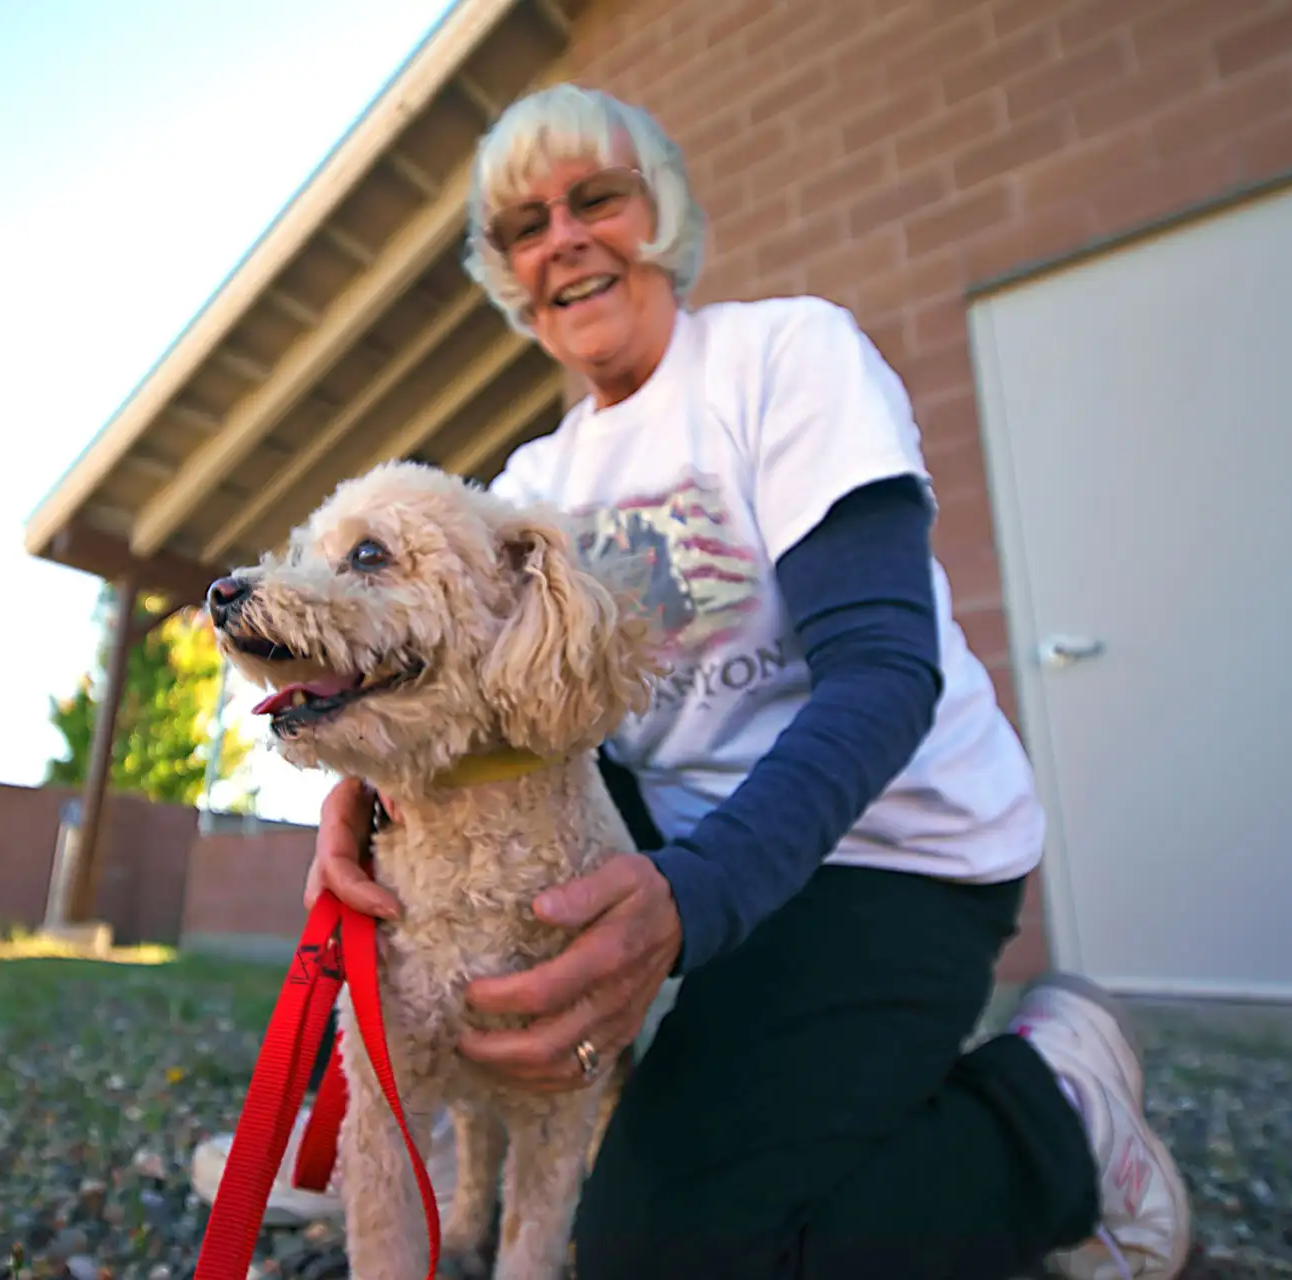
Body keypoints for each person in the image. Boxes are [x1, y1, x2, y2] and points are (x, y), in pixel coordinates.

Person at [193, 84, 1192, 1280]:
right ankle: (422, 1143)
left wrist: (693, 901)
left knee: (669, 1252)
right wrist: (366, 785)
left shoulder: (789, 355)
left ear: (656, 209)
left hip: (886, 857)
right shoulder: (530, 475)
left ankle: (1056, 1111)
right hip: (669, 863)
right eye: (524, 223)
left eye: (594, 198)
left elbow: (883, 671)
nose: (562, 235)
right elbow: (510, 718)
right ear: (506, 269)